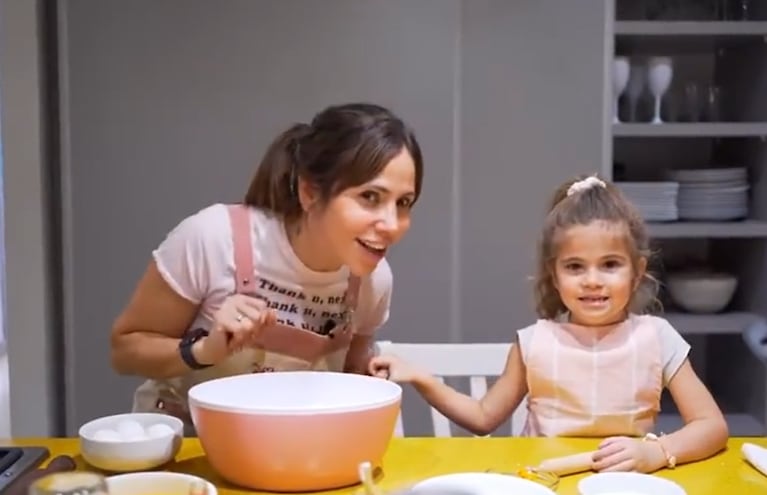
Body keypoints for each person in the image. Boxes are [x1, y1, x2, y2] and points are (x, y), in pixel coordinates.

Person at [370, 175, 729, 474]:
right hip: (544, 483)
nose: (592, 280)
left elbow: (711, 426)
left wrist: (656, 453)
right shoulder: (534, 342)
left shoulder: (658, 338)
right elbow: (482, 417)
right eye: (575, 266)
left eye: (609, 264)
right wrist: (420, 377)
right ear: (554, 276)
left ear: (636, 272)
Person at [110, 102, 423, 434]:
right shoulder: (213, 239)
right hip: (189, 454)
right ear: (309, 192)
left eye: (404, 203)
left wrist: (369, 377)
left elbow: (351, 372)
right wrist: (204, 349)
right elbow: (125, 351)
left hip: (292, 451)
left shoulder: (373, 280)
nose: (392, 224)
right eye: (370, 197)